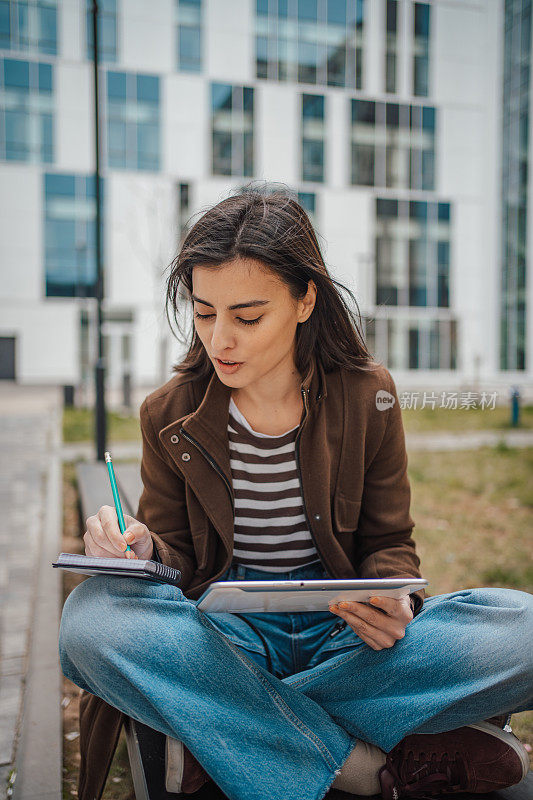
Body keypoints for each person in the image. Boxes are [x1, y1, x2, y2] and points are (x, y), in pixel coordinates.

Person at [59, 190, 533, 800]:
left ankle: (222, 733)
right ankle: (363, 765)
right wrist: (140, 547)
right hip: (226, 640)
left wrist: (397, 603)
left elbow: (390, 543)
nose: (219, 339)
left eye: (247, 317)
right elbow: (174, 555)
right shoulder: (168, 414)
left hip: (343, 637)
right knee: (91, 622)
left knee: (521, 628)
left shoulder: (369, 395)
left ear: (305, 299)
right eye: (204, 313)